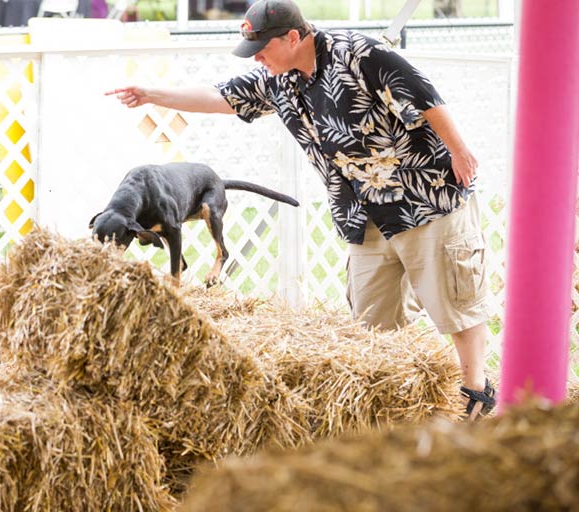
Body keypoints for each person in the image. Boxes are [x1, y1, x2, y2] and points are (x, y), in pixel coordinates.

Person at [107, 0, 496, 420]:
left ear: (293, 37)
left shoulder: (359, 53)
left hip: (424, 198)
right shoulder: (277, 79)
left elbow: (425, 99)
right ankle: (395, 417)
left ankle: (474, 396)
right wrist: (152, 95)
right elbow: (218, 96)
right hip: (362, 216)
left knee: (456, 304)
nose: (255, 58)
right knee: (371, 321)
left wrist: (459, 151)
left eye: (261, 48)